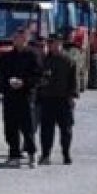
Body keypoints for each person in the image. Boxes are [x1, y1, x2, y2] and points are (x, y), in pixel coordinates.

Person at [0, 28, 43, 168]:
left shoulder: (33, 55)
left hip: (25, 96)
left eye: (20, 37)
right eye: (15, 37)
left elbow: (38, 76)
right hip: (10, 97)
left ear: (26, 39)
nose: (16, 40)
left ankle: (32, 155)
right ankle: (14, 156)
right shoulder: (8, 56)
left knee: (27, 128)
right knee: (10, 128)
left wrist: (24, 83)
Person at [37, 35, 78, 165]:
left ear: (60, 43)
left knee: (66, 130)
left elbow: (74, 81)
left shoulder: (68, 61)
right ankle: (45, 155)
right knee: (46, 130)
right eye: (50, 43)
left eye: (54, 43)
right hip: (47, 99)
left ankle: (66, 154)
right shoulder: (44, 61)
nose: (51, 46)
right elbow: (38, 79)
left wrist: (72, 96)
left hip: (63, 100)